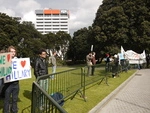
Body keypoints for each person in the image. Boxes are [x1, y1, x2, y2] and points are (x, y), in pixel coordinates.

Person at [3, 46, 19, 113]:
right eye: (11, 51)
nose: (13, 53)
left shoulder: (17, 60)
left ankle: (14, 111)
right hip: (8, 84)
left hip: (16, 83)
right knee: (7, 100)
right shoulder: (5, 60)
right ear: (8, 52)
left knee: (15, 99)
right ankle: (6, 111)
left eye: (14, 51)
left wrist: (28, 67)